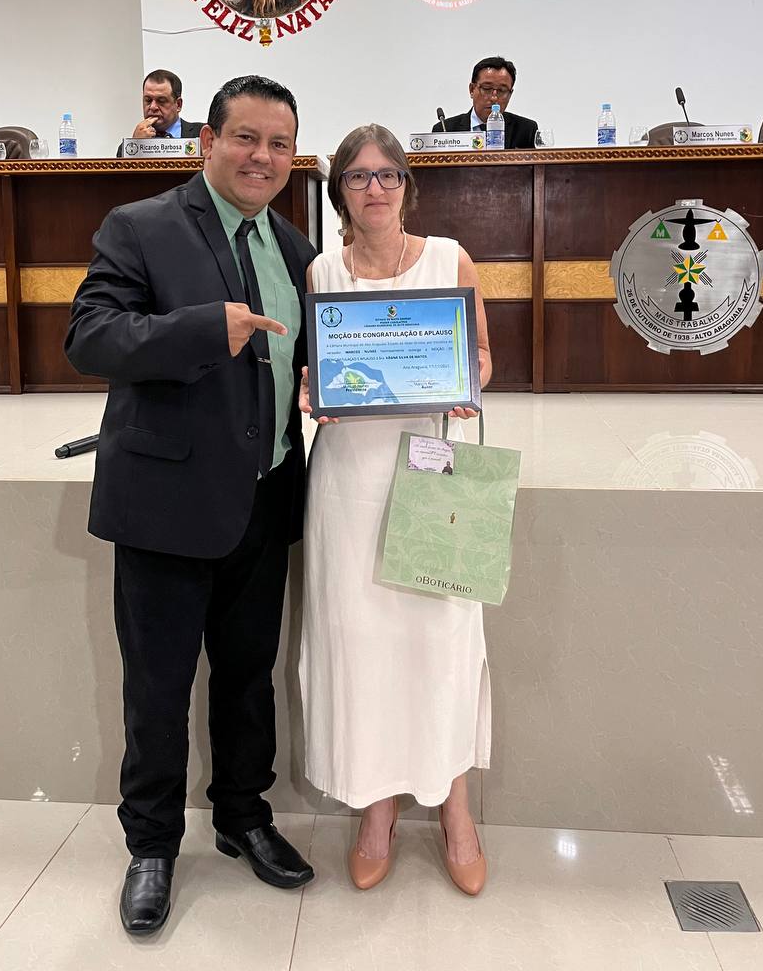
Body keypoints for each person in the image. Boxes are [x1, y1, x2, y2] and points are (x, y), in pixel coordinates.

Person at [65, 75, 317, 936]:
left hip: (265, 497)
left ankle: (244, 816)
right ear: (207, 141)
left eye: (279, 144)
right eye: (246, 138)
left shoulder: (294, 246)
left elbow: (308, 359)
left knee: (248, 679)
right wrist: (204, 328)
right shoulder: (140, 225)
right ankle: (152, 846)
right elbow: (89, 337)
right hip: (166, 502)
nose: (262, 158)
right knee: (158, 687)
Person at [298, 124, 493, 897]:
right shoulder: (322, 270)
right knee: (363, 642)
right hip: (349, 478)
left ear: (408, 185)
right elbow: (317, 370)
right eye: (357, 176)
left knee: (441, 637)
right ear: (338, 191)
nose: (374, 189)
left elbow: (481, 357)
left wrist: (468, 383)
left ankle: (455, 812)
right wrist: (313, 390)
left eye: (387, 175)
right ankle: (376, 809)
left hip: (432, 470)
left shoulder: (450, 259)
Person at [433, 56, 539, 148]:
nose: (494, 98)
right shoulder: (445, 130)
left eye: (502, 90)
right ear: (472, 90)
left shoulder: (526, 130)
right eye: (487, 88)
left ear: (510, 94)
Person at [115, 70, 201, 157]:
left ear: (178, 105)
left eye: (161, 101)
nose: (153, 107)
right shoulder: (126, 149)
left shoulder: (202, 135)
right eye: (148, 100)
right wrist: (136, 145)